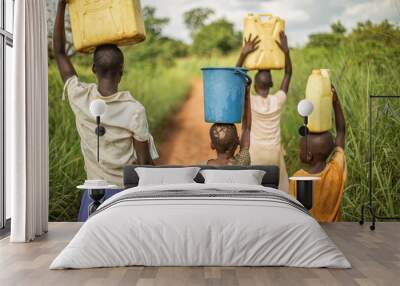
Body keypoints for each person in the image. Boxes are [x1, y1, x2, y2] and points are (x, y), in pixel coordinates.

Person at [53, 0, 158, 187]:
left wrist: (62, 6)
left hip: (93, 194)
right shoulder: (134, 110)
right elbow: (145, 165)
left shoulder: (80, 97)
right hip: (124, 197)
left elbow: (60, 52)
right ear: (121, 72)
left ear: (94, 69)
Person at [236, 32, 292, 192]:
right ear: (272, 84)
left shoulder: (250, 101)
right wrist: (286, 52)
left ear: (254, 86)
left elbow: (235, 78)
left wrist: (244, 53)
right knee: (275, 190)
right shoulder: (278, 100)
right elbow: (288, 74)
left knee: (255, 190)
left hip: (255, 152)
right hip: (274, 153)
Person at [289, 86, 346, 222]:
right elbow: (341, 131)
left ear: (309, 155)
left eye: (301, 149)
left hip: (311, 234)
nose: (298, 151)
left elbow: (293, 212)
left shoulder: (299, 178)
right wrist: (335, 102)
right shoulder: (336, 170)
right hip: (336, 232)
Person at [207, 77, 252, 166]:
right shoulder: (241, 163)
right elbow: (247, 128)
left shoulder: (208, 166)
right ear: (238, 142)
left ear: (212, 145)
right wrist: (246, 93)